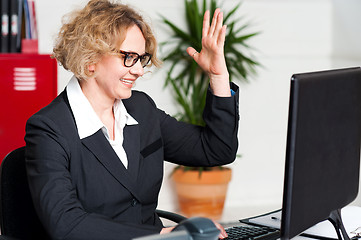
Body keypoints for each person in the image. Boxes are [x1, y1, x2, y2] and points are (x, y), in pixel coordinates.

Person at [24, 0, 239, 239]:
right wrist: (162, 234)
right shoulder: (49, 128)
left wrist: (218, 76)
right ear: (90, 57)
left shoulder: (141, 109)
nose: (138, 70)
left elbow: (217, 150)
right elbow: (67, 224)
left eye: (141, 58)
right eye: (128, 57)